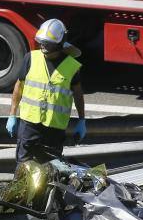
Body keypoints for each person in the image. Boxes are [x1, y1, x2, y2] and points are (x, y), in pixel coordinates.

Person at [7, 18, 86, 164]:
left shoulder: (72, 66)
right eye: (41, 41)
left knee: (50, 167)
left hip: (54, 128)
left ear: (59, 44)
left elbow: (78, 95)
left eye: (47, 43)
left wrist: (82, 120)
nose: (42, 45)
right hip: (29, 123)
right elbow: (19, 86)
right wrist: (12, 114)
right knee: (24, 165)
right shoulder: (30, 58)